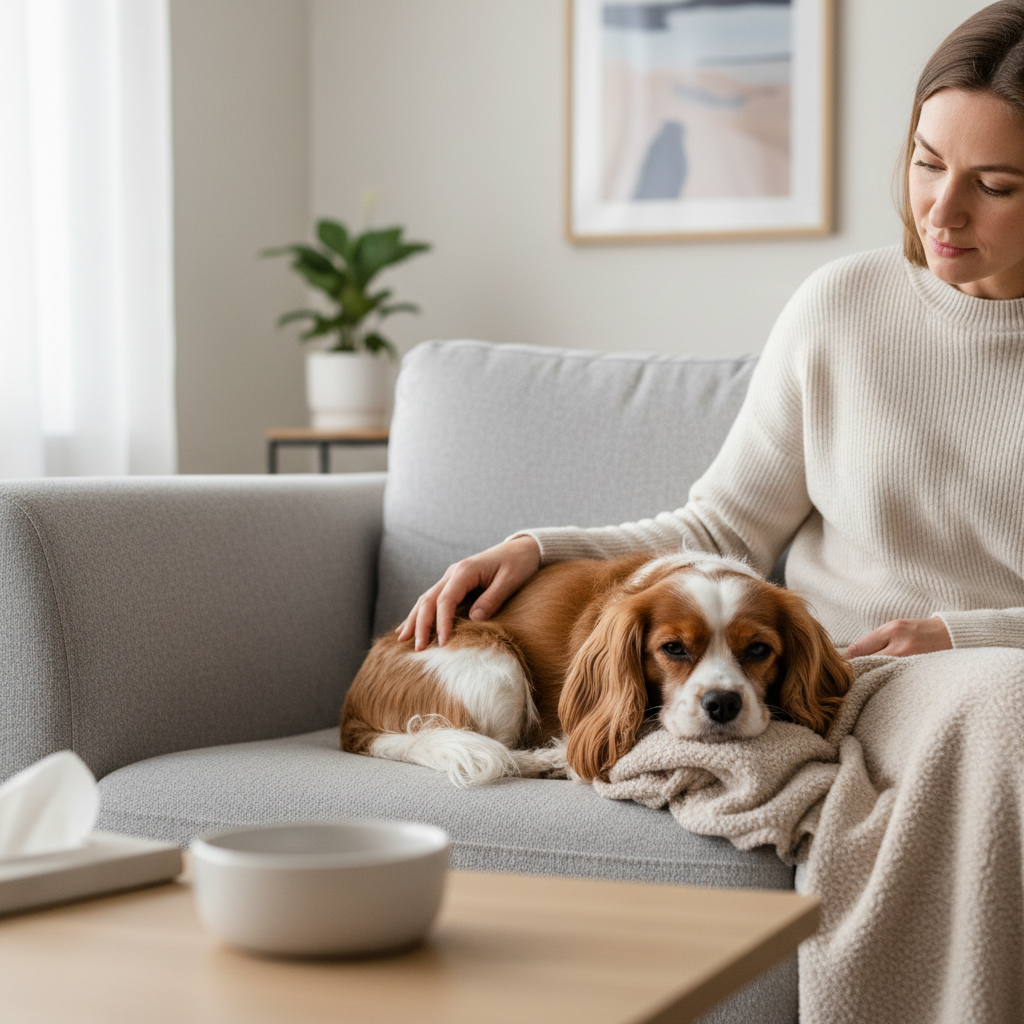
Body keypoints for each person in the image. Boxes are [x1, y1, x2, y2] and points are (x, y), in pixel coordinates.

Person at [399, 0, 1024, 671]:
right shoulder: (840, 305)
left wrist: (962, 637)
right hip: (831, 680)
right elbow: (721, 533)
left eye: (993, 186)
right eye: (927, 164)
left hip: (996, 677)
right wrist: (538, 550)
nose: (942, 211)